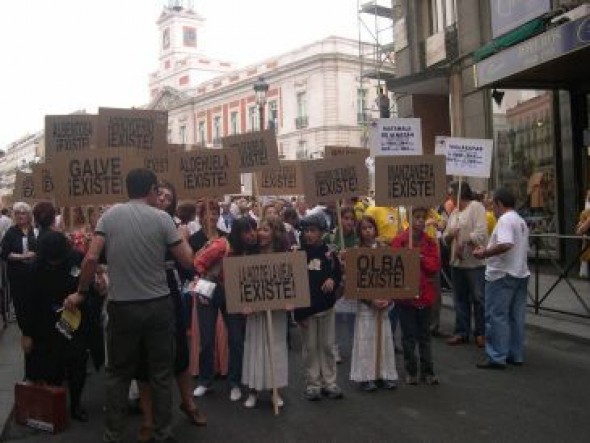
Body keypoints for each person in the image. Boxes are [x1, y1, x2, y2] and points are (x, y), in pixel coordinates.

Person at [63, 168, 194, 443]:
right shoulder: (162, 219)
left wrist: (82, 292)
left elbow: (90, 258)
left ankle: (113, 434)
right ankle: (163, 432)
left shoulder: (109, 216)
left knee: (118, 374)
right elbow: (187, 261)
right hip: (158, 305)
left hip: (122, 306)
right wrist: (182, 235)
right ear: (152, 191)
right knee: (160, 373)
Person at [136, 182, 206, 442]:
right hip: (141, 289)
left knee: (179, 351)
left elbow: (192, 265)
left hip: (170, 290)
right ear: (150, 195)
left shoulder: (180, 226)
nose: (164, 197)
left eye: (168, 195)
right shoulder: (138, 221)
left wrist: (189, 238)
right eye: (160, 193)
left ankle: (187, 403)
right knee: (143, 354)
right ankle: (148, 417)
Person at [21, 231, 105, 421]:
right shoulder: (34, 268)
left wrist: (80, 295)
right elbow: (27, 303)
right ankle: (52, 403)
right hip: (46, 324)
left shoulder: (77, 258)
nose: (55, 264)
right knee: (51, 365)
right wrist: (27, 333)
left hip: (74, 319)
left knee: (77, 363)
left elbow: (91, 286)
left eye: (58, 261)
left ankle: (76, 404)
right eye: (51, 261)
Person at [192, 217, 254, 401]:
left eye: (253, 230)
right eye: (247, 231)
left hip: (233, 293)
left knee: (236, 340)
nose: (251, 235)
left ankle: (234, 383)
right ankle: (205, 381)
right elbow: (198, 263)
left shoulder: (250, 249)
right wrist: (200, 283)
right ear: (238, 232)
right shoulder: (220, 246)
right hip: (210, 291)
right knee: (207, 339)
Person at [473, 188, 530, 369]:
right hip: (519, 273)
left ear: (499, 203)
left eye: (492, 205)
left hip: (501, 274)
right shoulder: (520, 220)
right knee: (515, 316)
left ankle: (496, 356)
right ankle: (515, 354)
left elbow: (506, 243)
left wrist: (484, 253)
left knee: (497, 316)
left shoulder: (505, 220)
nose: (491, 210)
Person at [242, 216, 290, 408]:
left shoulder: (284, 256)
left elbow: (290, 283)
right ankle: (253, 390)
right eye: (260, 229)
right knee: (255, 347)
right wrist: (243, 304)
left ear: (275, 233)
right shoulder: (250, 254)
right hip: (255, 312)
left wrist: (290, 302)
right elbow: (243, 282)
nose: (260, 232)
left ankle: (274, 390)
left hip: (277, 312)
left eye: (266, 229)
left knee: (275, 348)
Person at [294, 213, 343, 401]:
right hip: (306, 311)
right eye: (306, 230)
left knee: (328, 346)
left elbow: (337, 273)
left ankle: (329, 382)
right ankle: (313, 383)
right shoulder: (298, 254)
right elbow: (295, 285)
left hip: (327, 308)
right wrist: (298, 315)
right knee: (311, 348)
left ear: (321, 232)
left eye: (313, 230)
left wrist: (332, 278)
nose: (309, 234)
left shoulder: (330, 253)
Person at [392, 207, 441, 385]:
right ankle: (411, 371)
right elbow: (396, 266)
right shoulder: (400, 240)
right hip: (406, 298)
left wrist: (419, 257)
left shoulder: (430, 242)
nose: (420, 221)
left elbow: (434, 267)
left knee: (425, 337)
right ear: (409, 219)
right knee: (408, 336)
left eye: (423, 217)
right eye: (417, 217)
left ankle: (428, 371)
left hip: (426, 296)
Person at [350, 215, 398, 391]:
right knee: (366, 339)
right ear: (360, 232)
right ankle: (366, 376)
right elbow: (354, 282)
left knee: (384, 338)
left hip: (384, 301)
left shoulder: (385, 249)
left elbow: (393, 276)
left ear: (375, 229)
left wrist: (389, 298)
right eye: (364, 228)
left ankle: (384, 374)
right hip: (366, 304)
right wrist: (370, 300)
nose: (368, 231)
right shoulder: (356, 252)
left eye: (370, 227)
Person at [443, 181, 488, 347]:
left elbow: (482, 233)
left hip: (474, 263)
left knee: (478, 298)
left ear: (459, 193)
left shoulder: (476, 207)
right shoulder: (454, 212)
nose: (449, 197)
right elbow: (445, 236)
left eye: (451, 193)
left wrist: (465, 241)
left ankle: (481, 332)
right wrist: (449, 236)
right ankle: (462, 331)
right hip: (457, 263)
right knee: (460, 299)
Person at [1, 202, 37, 335]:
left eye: (23, 213)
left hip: (34, 275)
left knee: (35, 303)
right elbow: (5, 253)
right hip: (17, 276)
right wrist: (23, 256)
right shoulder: (11, 232)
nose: (20, 216)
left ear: (29, 215)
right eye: (17, 213)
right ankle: (26, 331)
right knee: (21, 304)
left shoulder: (35, 230)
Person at [330, 206, 358, 363]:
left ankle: (357, 346)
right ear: (339, 219)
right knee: (337, 317)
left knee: (354, 317)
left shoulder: (357, 238)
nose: (348, 221)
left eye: (351, 219)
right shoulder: (331, 236)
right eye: (345, 218)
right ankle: (334, 348)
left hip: (353, 282)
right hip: (338, 285)